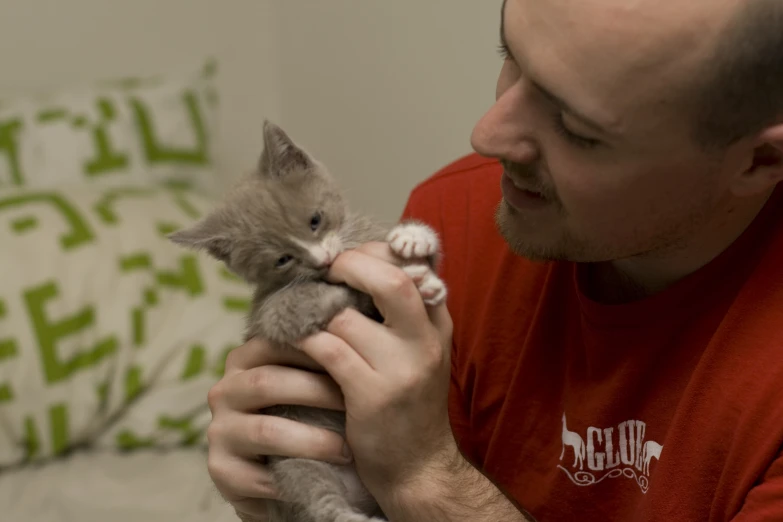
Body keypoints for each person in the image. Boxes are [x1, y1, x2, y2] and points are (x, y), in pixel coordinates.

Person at [205, 0, 783, 520]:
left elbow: (411, 475)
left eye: (577, 129)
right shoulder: (452, 216)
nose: (487, 134)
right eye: (510, 54)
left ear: (760, 158)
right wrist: (280, 488)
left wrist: (422, 476)